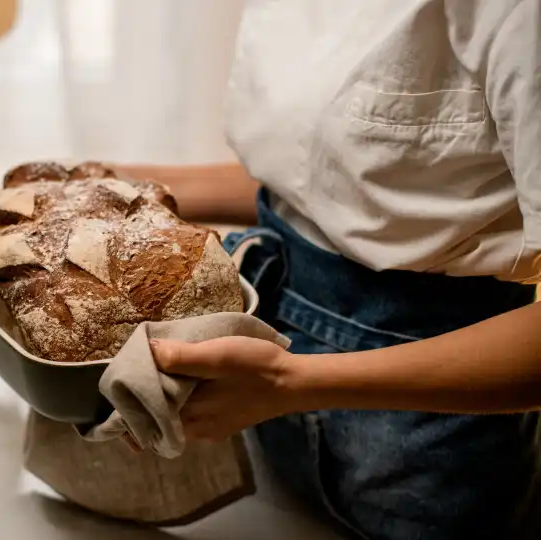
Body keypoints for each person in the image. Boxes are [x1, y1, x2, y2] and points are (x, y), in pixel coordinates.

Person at [113, 2, 541, 539]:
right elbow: (326, 186)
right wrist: (117, 184)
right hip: (267, 404)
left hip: (426, 448)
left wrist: (290, 382)